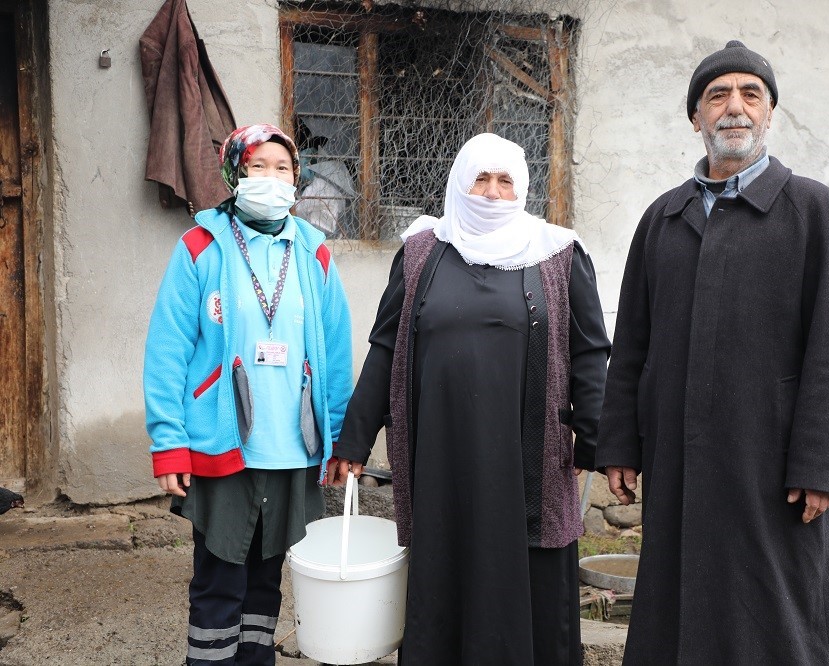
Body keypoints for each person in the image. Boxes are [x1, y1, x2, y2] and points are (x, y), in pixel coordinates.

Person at [596, 41, 829, 665]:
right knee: (676, 602)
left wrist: (822, 461)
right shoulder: (664, 218)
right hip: (676, 455)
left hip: (770, 463)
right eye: (717, 95)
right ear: (696, 117)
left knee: (774, 610)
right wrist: (619, 445)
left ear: (770, 113)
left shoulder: (816, 212)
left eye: (750, 94)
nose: (734, 108)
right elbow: (632, 342)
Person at [332, 133, 610, 665]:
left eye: (505, 181)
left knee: (532, 593)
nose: (491, 192)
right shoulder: (421, 252)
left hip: (524, 464)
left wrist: (594, 445)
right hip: (443, 463)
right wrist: (354, 439)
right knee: (444, 581)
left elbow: (590, 355)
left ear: (522, 189)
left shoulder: (557, 254)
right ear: (459, 183)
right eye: (480, 179)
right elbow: (386, 348)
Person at [143, 123, 353, 665]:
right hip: (222, 448)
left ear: (296, 178)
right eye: (257, 166)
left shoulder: (315, 254)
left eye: (282, 168)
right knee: (219, 581)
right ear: (235, 174)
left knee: (265, 588)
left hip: (292, 451)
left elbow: (335, 353)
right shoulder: (199, 247)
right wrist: (169, 443)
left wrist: (336, 441)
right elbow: (167, 351)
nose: (271, 178)